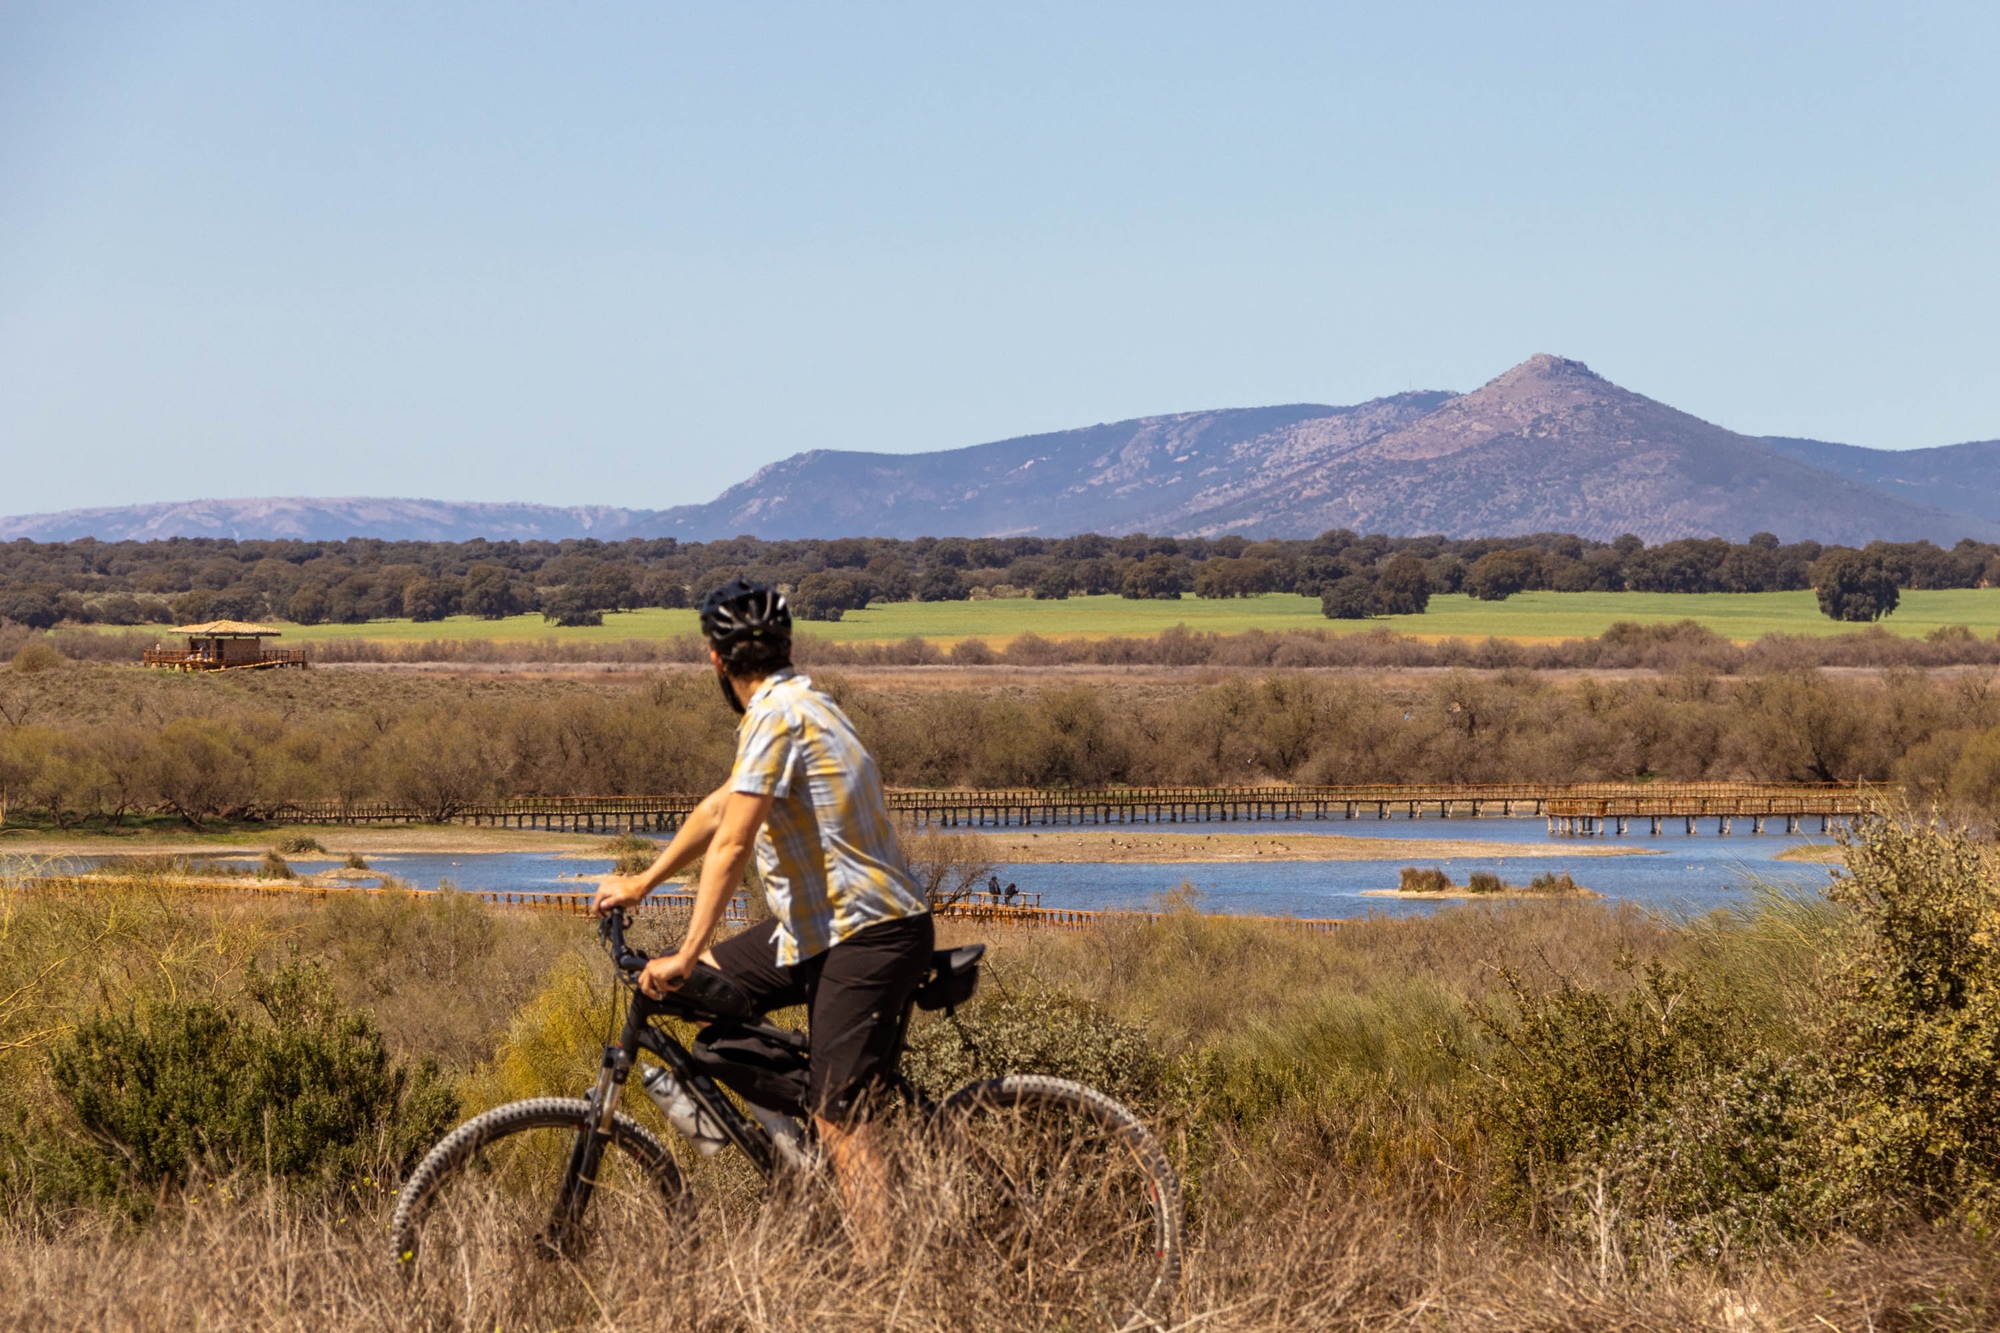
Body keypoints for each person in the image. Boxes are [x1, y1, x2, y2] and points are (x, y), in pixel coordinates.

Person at [592, 579, 932, 1255]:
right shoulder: (797, 704)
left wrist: (687, 947)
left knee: (841, 1120)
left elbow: (733, 842)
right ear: (787, 646)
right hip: (820, 925)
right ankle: (805, 1146)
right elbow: (719, 808)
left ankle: (889, 1282)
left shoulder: (778, 716)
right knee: (702, 998)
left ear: (715, 661)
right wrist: (643, 881)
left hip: (867, 930)